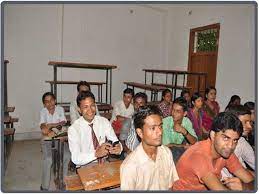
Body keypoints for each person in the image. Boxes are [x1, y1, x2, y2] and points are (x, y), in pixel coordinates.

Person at [173, 112, 254, 191]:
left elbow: (250, 180)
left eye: (235, 140)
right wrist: (246, 188)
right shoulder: (199, 155)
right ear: (213, 135)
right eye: (225, 138)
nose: (230, 145)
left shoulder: (225, 151)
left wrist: (245, 187)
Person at [120, 105, 179, 190]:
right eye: (153, 128)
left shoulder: (166, 153)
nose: (159, 132)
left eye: (160, 126)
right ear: (140, 133)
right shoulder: (130, 166)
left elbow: (170, 187)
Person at [68, 91, 122, 167]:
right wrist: (96, 154)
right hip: (85, 166)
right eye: (85, 107)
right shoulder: (74, 129)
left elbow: (115, 141)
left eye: (92, 105)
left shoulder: (104, 121)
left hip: (104, 163)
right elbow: (75, 158)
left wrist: (119, 148)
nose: (90, 110)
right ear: (79, 110)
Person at [39, 92, 70, 190]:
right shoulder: (43, 111)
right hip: (47, 140)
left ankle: (63, 181)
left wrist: (50, 125)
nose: (50, 103)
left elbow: (63, 122)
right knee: (48, 159)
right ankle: (44, 186)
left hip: (60, 138)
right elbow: (43, 127)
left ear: (55, 101)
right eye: (46, 102)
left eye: (51, 100)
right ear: (44, 104)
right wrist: (52, 126)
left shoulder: (60, 109)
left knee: (67, 155)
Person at [221, 105, 255, 178]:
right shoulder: (221, 144)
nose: (250, 127)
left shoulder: (241, 141)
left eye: (250, 122)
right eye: (245, 122)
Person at [162, 97, 198, 162]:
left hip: (176, 152)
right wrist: (183, 146)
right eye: (173, 110)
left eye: (178, 111)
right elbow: (167, 146)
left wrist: (184, 131)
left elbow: (195, 142)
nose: (173, 113)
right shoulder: (165, 122)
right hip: (164, 153)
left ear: (184, 114)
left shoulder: (186, 121)